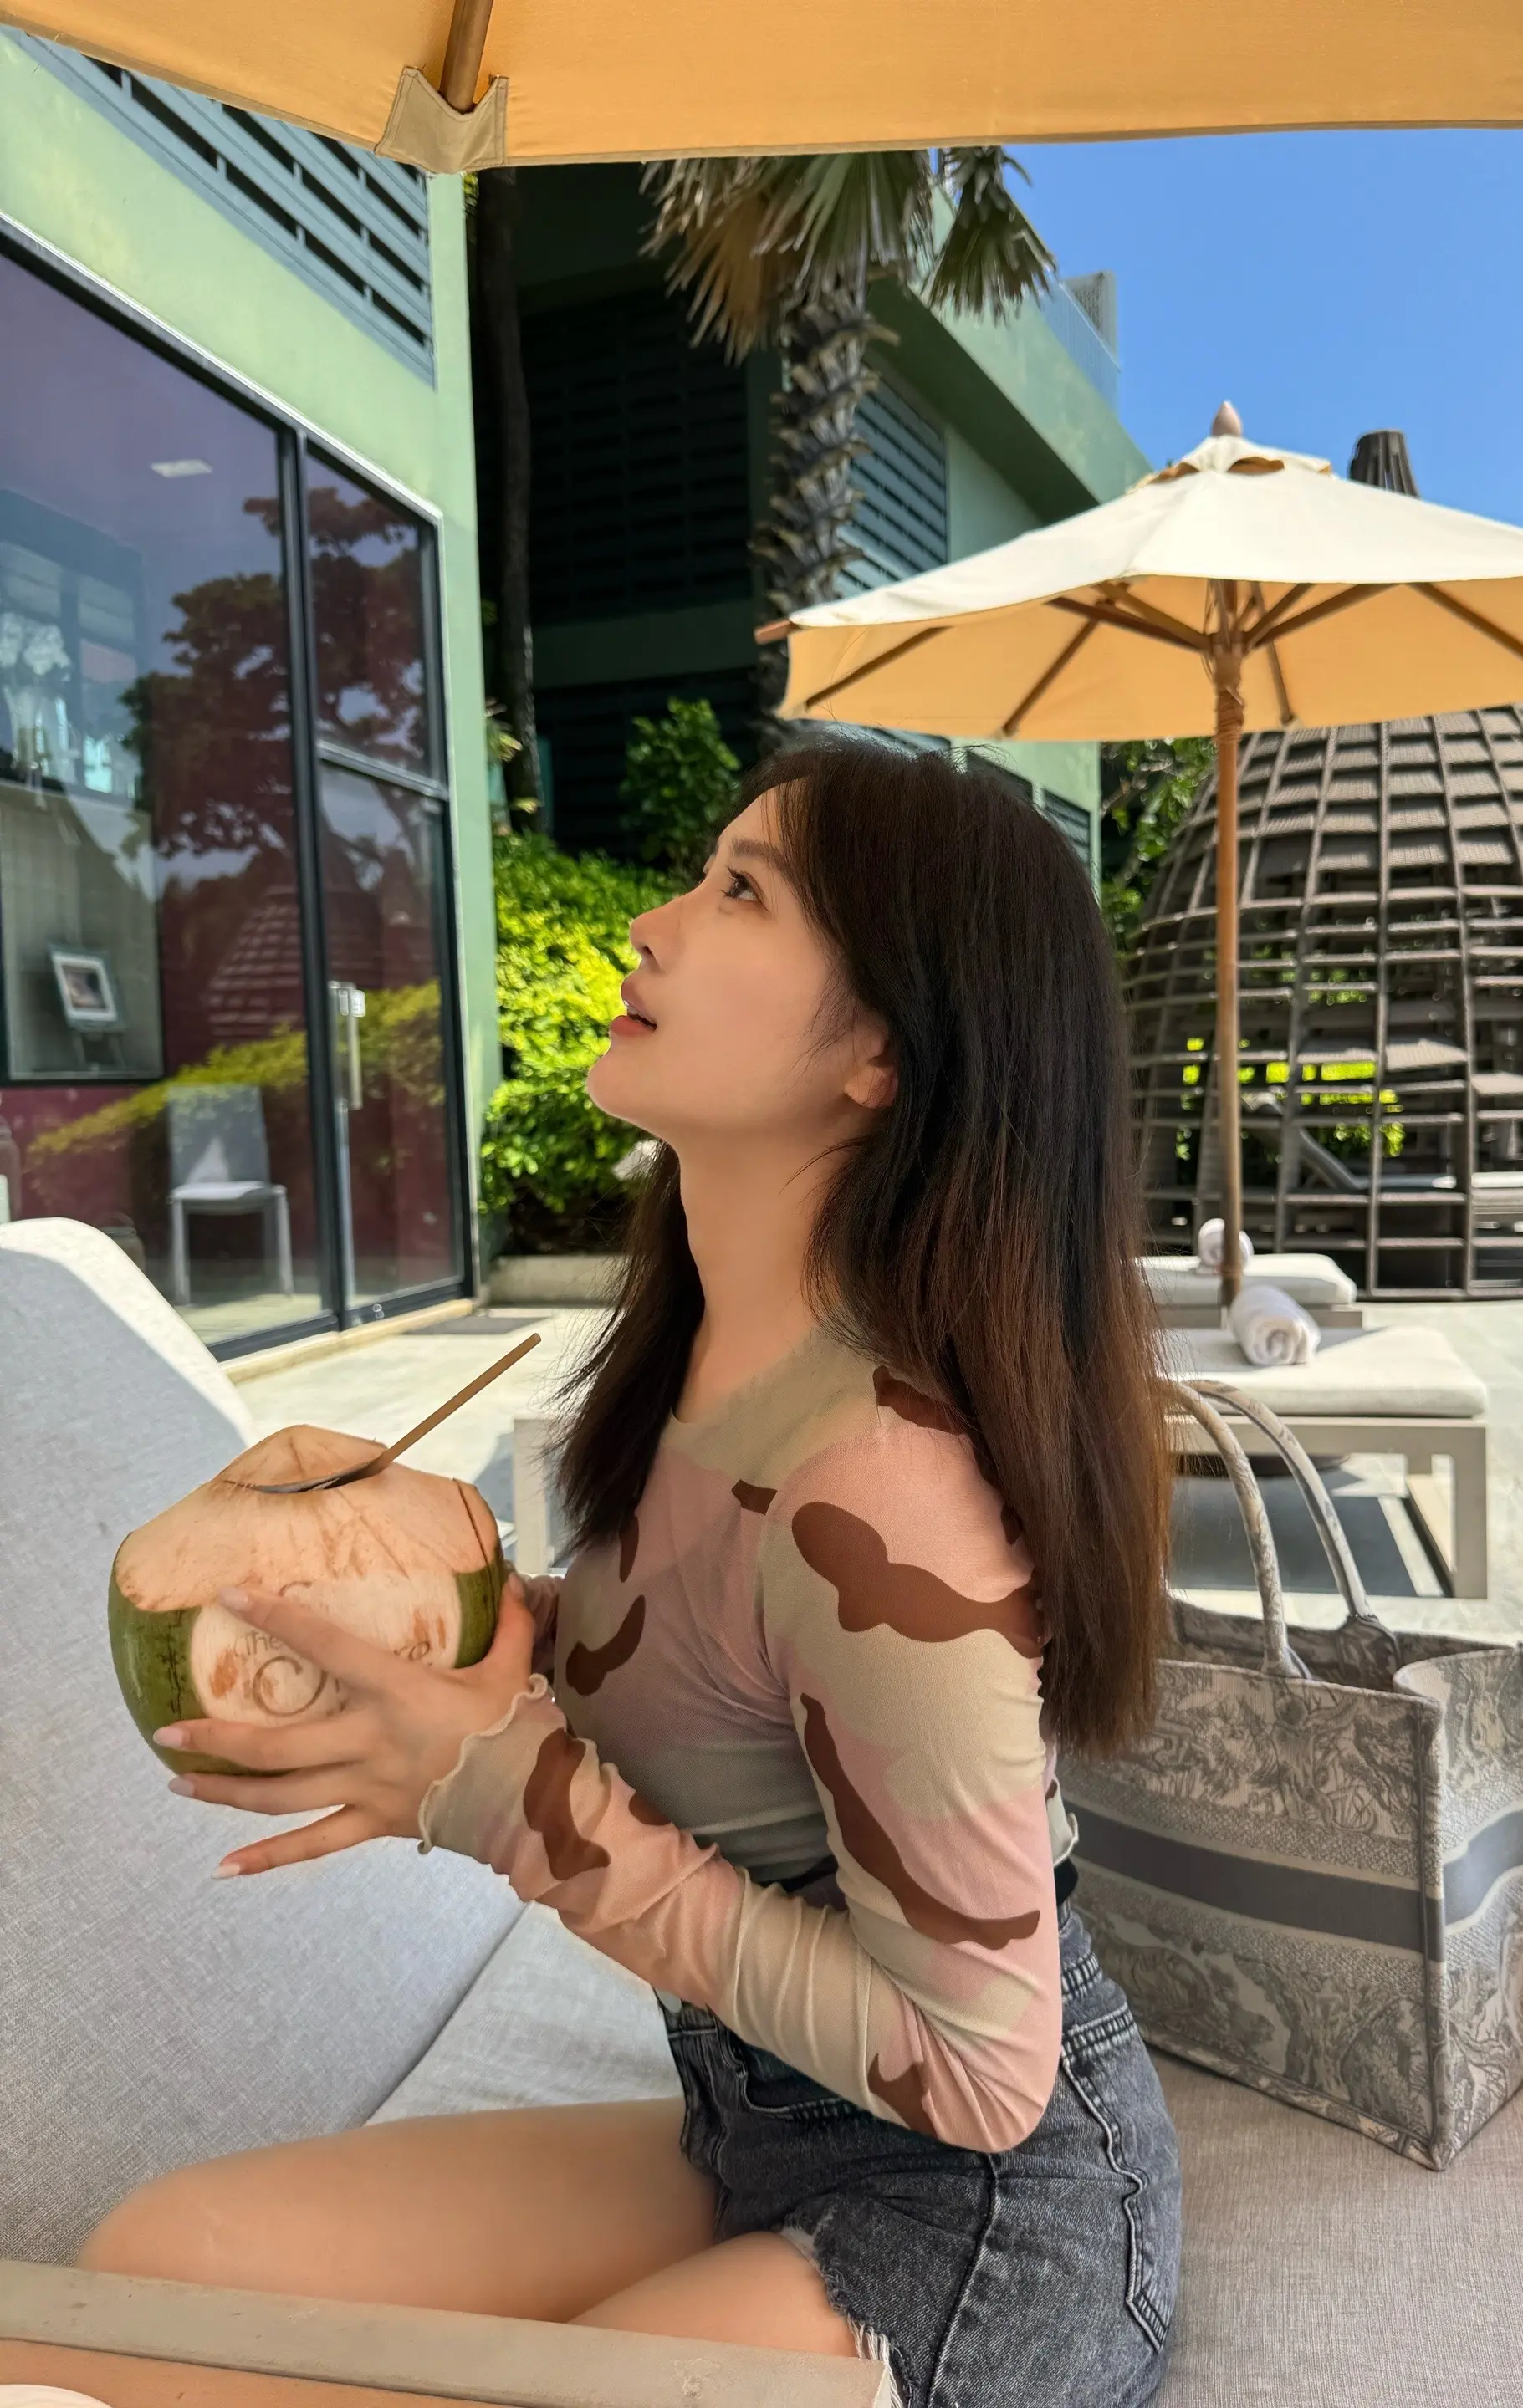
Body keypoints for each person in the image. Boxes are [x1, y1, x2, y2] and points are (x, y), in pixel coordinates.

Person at [81, 744, 1183, 2406]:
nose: (650, 926)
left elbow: (981, 2072)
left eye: (741, 892)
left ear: (881, 1051)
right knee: (145, 2284)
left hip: (987, 2229)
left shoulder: (877, 1492)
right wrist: (406, 1606)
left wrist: (512, 1802)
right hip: (757, 2123)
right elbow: (704, 1667)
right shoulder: (705, 1373)